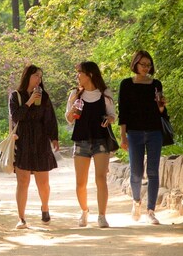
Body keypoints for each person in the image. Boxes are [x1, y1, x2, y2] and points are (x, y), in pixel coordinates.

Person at [118, 49, 170, 225]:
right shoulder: (126, 84)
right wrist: (123, 136)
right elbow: (123, 113)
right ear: (135, 64)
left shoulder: (156, 84)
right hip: (134, 133)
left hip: (154, 131)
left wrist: (161, 106)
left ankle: (151, 211)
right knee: (136, 172)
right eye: (143, 64)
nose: (146, 68)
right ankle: (136, 201)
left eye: (149, 65)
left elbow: (162, 113)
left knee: (153, 171)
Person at [64, 61, 117, 227]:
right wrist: (72, 110)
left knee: (101, 178)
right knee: (81, 182)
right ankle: (84, 211)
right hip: (81, 140)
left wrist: (109, 119)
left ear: (90, 74)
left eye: (80, 73)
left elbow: (113, 116)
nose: (77, 76)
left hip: (101, 140)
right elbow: (69, 119)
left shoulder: (104, 93)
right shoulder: (75, 94)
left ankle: (102, 216)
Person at [10, 64, 59, 229]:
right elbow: (16, 117)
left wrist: (54, 138)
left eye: (40, 76)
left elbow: (50, 118)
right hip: (22, 140)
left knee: (43, 182)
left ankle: (45, 207)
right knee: (22, 181)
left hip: (40, 140)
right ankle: (21, 218)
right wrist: (29, 101)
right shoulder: (16, 96)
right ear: (27, 77)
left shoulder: (44, 97)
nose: (39, 79)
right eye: (36, 75)